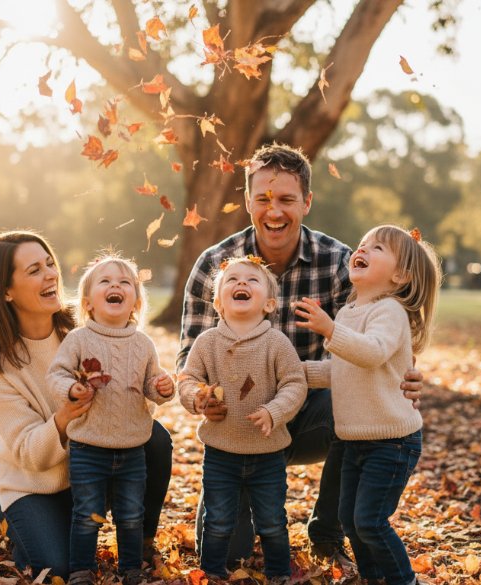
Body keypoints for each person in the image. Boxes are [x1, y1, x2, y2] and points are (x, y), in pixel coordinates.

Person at [177, 143, 424, 567]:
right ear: (248, 201)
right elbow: (188, 362)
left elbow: (381, 334)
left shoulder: (340, 263)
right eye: (264, 199)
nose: (275, 211)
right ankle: (240, 503)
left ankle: (328, 528)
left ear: (307, 202)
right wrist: (198, 395)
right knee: (226, 552)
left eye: (288, 199)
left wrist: (408, 372)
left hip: (311, 413)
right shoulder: (215, 266)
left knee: (348, 399)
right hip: (237, 428)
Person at [0, 232, 173, 579]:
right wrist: (65, 417)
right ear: (6, 291)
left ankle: (140, 540)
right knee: (58, 570)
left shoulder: (84, 329)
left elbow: (132, 402)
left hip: (95, 467)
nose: (51, 274)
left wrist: (154, 387)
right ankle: (22, 527)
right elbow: (29, 452)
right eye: (34, 270)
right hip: (34, 486)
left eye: (50, 263)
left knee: (154, 439)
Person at [294, 225, 440, 585]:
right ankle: (373, 578)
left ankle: (403, 580)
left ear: (400, 275)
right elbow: (341, 369)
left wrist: (329, 331)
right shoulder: (347, 313)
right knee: (350, 520)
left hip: (390, 442)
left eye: (377, 248)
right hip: (353, 440)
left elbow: (372, 353)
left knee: (370, 522)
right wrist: (296, 372)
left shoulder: (389, 311)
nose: (362, 250)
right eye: (361, 245)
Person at [48, 254, 175, 585]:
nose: (116, 285)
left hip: (133, 447)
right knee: (87, 514)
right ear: (88, 303)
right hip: (88, 445)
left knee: (131, 515)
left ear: (135, 301)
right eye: (105, 281)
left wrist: (163, 388)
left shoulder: (143, 344)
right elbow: (56, 375)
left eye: (125, 283)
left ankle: (130, 568)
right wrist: (72, 389)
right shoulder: (78, 339)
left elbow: (152, 386)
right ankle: (81, 570)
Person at [178, 255, 307, 582]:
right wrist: (197, 397)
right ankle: (212, 572)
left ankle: (278, 573)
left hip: (267, 454)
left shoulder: (276, 343)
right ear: (219, 303)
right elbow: (188, 378)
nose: (241, 284)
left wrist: (274, 411)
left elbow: (294, 382)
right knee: (218, 520)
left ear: (269, 304)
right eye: (232, 280)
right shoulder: (207, 343)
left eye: (252, 281)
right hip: (221, 453)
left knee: (273, 522)